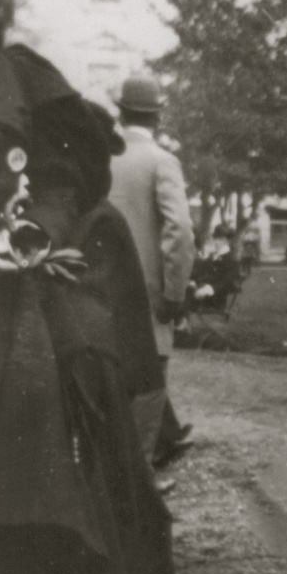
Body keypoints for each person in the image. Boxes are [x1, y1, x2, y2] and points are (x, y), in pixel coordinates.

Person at [0, 0, 164, 574]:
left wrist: (37, 232)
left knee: (39, 488)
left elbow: (69, 168)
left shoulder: (24, 73)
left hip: (15, 312)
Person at [107, 73, 196, 466]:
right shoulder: (162, 161)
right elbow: (180, 231)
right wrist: (174, 293)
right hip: (147, 290)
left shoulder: (101, 158)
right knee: (150, 380)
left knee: (111, 380)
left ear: (121, 113)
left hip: (100, 288)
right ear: (157, 118)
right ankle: (140, 478)